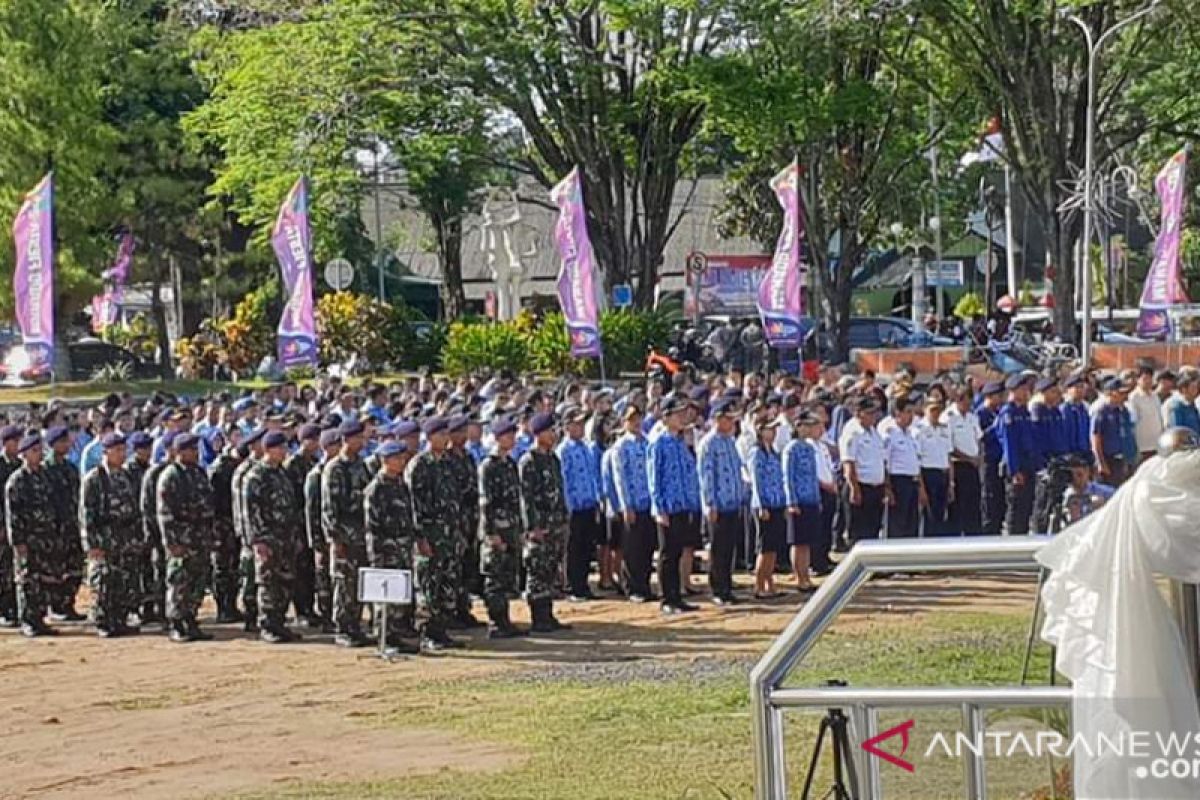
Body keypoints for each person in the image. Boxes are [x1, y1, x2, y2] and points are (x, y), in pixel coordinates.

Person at [407, 416, 465, 651]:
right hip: (430, 537)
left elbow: (455, 500)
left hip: (449, 535)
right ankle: (427, 633)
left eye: (445, 434)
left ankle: (441, 630)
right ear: (429, 437)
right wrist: (420, 537)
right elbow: (414, 505)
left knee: (447, 583)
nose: (445, 438)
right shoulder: (420, 465)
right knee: (428, 585)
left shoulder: (447, 463)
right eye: (440, 434)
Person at [243, 431, 302, 644]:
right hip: (268, 538)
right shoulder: (256, 476)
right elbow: (251, 511)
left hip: (285, 537)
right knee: (268, 583)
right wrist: (258, 540)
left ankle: (279, 622)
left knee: (285, 581)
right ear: (268, 449)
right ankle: (267, 625)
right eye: (280, 448)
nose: (284, 452)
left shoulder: (281, 473)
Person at [80, 433, 141, 637]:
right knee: (103, 581)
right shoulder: (95, 479)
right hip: (104, 537)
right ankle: (103, 620)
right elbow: (86, 514)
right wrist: (91, 544)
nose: (122, 454)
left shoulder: (125, 476)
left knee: (124, 579)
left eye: (124, 450)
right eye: (117, 450)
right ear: (106, 452)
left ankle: (119, 618)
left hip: (124, 537)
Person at [156, 433, 215, 643]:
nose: (195, 453)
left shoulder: (198, 472)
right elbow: (165, 514)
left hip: (200, 538)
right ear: (180, 452)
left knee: (197, 581)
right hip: (182, 539)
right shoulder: (171, 476)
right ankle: (177, 623)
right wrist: (172, 542)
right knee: (179, 582)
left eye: (196, 449)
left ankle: (191, 618)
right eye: (191, 449)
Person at [363, 440, 421, 652]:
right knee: (384, 598)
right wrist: (377, 556)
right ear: (385, 461)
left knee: (399, 596)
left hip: (403, 548)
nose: (402, 461)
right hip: (385, 551)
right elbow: (372, 527)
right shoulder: (375, 489)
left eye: (402, 458)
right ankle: (384, 636)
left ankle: (396, 634)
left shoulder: (400, 485)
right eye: (397, 458)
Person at [647, 397, 701, 615]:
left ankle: (676, 595)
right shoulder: (658, 443)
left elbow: (688, 473)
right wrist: (659, 507)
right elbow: (654, 477)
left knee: (678, 551)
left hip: (682, 504)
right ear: (666, 417)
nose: (682, 418)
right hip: (667, 506)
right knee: (667, 553)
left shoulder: (680, 442)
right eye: (677, 414)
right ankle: (666, 598)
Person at [321, 420, 373, 648]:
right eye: (358, 438)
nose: (362, 442)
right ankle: (343, 628)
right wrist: (335, 539)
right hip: (344, 536)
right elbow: (329, 509)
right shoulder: (334, 469)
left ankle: (355, 625)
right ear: (346, 439)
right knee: (343, 584)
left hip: (361, 535)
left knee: (358, 584)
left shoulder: (361, 465)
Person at [519, 412, 572, 631]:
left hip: (555, 524)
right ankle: (538, 617)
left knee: (550, 570)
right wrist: (532, 527)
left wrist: (563, 518)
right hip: (539, 527)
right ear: (539, 433)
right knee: (537, 572)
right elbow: (526, 498)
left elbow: (559, 491)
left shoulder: (552, 458)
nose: (554, 435)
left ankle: (547, 615)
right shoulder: (528, 461)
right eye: (551, 431)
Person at [477, 418, 528, 639]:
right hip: (496, 530)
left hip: (511, 528)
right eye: (508, 435)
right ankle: (496, 622)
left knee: (507, 575)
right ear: (497, 438)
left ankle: (505, 620)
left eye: (513, 435)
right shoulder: (489, 466)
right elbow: (485, 502)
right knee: (494, 578)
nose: (512, 439)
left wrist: (521, 527)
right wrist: (490, 533)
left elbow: (517, 499)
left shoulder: (510, 464)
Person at [6, 434, 57, 637]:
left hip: (45, 538)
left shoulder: (45, 476)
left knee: (44, 579)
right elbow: (14, 514)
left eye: (40, 450)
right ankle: (28, 620)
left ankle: (40, 618)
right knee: (27, 580)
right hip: (27, 539)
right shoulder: (17, 480)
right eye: (34, 451)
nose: (39, 454)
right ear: (24, 454)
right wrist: (18, 542)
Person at [697, 397, 745, 606]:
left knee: (728, 548)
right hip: (718, 504)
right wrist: (710, 503)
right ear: (717, 418)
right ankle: (718, 588)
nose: (732, 423)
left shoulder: (730, 442)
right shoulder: (709, 443)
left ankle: (727, 585)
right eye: (728, 418)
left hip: (732, 502)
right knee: (718, 549)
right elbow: (706, 475)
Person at [557, 408, 602, 602]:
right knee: (573, 548)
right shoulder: (563, 450)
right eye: (576, 424)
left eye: (582, 424)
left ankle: (583, 585)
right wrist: (567, 506)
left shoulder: (586, 447)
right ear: (567, 426)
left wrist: (596, 499)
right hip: (573, 507)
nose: (581, 427)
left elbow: (592, 476)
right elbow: (564, 481)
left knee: (585, 547)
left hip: (588, 504)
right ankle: (573, 587)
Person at [612, 406, 655, 602]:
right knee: (632, 548)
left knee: (646, 547)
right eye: (632, 419)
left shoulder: (647, 443)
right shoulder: (621, 447)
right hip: (632, 503)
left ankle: (645, 585)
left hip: (648, 503)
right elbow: (620, 478)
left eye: (639, 418)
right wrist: (626, 505)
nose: (636, 423)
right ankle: (632, 587)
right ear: (625, 422)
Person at [445, 414, 484, 627]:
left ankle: (463, 608)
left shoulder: (468, 457)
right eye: (458, 431)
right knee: (453, 569)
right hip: (453, 523)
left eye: (464, 431)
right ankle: (451, 612)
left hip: (470, 521)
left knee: (468, 567)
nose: (462, 435)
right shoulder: (446, 460)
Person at [283, 423, 321, 627]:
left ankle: (309, 607)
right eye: (312, 439)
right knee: (299, 570)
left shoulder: (314, 462)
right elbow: (289, 499)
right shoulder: (292, 464)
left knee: (309, 570)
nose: (315, 443)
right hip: (297, 525)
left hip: (310, 523)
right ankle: (301, 611)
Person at [44, 426, 83, 620]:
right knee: (55, 569)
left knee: (74, 568)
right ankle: (55, 606)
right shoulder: (45, 469)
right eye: (62, 441)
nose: (66, 445)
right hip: (54, 528)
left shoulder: (70, 468)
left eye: (67, 441)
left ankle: (68, 604)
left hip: (71, 525)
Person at [304, 429, 341, 631]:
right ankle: (327, 616)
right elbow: (311, 512)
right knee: (324, 579)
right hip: (322, 536)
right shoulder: (315, 476)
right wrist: (316, 543)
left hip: (336, 535)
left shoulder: (339, 471)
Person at [232, 427, 266, 631]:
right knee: (250, 576)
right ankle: (251, 616)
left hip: (256, 533)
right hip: (249, 534)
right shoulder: (245, 471)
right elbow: (243, 508)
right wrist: (249, 536)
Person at [748, 417, 786, 598]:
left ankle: (769, 583)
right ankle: (758, 585)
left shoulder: (773, 453)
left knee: (773, 548)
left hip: (776, 502)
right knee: (764, 547)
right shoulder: (757, 453)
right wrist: (762, 504)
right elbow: (756, 481)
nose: (774, 432)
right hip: (764, 505)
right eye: (770, 429)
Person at [783, 413, 821, 591]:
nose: (809, 429)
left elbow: (813, 476)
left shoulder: (809, 447)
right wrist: (791, 501)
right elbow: (787, 476)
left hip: (810, 498)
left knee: (807, 541)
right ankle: (799, 577)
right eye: (806, 425)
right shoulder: (791, 449)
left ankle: (805, 575)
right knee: (798, 542)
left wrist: (817, 497)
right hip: (798, 500)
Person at [207, 439, 244, 623]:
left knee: (232, 568)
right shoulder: (219, 470)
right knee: (222, 567)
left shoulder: (234, 468)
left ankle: (231, 605)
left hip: (231, 523)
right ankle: (223, 607)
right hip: (221, 525)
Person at [842, 399, 888, 544]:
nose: (873, 417)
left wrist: (886, 486)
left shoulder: (874, 432)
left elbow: (881, 461)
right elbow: (849, 463)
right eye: (869, 413)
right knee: (858, 532)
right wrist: (854, 489)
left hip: (876, 488)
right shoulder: (853, 432)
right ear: (858, 414)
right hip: (861, 486)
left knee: (873, 530)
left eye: (875, 413)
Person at [998, 374, 1039, 535]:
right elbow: (1010, 444)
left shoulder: (1024, 411)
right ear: (1013, 391)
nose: (1026, 392)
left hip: (1028, 465)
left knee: (1026, 507)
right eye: (1022, 389)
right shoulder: (1009, 413)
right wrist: (1014, 471)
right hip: (1017, 466)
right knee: (1015, 509)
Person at [882, 398, 923, 539]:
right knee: (898, 524)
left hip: (912, 481)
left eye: (912, 412)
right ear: (897, 413)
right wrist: (888, 488)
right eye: (907, 412)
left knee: (912, 524)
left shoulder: (911, 435)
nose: (911, 416)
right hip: (898, 482)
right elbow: (885, 462)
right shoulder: (890, 434)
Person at [944, 389, 982, 535]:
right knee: (958, 505)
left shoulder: (972, 417)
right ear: (959, 400)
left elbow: (978, 438)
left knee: (973, 504)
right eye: (966, 401)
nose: (968, 405)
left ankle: (973, 534)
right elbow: (949, 447)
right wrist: (968, 458)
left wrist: (978, 457)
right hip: (958, 465)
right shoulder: (949, 418)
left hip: (973, 466)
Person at [914, 398, 953, 536]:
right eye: (932, 410)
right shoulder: (919, 430)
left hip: (943, 474)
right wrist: (921, 487)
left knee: (941, 514)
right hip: (928, 474)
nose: (936, 413)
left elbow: (948, 457)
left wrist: (951, 483)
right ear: (925, 410)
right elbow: (916, 461)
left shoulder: (944, 429)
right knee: (928, 516)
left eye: (938, 410)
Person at [1091, 377, 1136, 487]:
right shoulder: (1101, 412)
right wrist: (1101, 463)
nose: (1124, 396)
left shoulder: (1124, 411)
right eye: (1120, 393)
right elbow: (1096, 439)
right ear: (1110, 393)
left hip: (1123, 458)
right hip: (1108, 459)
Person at [0, 425, 23, 626]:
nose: (18, 445)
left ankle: (14, 607)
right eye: (16, 441)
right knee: (3, 568)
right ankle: (4, 608)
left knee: (14, 568)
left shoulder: (20, 465)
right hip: (1, 525)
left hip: (17, 525)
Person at [976, 381, 1007, 534]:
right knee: (990, 496)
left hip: (999, 459)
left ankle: (998, 525)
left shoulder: (999, 412)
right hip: (988, 459)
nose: (1001, 399)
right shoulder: (980, 414)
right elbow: (980, 437)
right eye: (997, 396)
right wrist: (995, 427)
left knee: (1000, 497)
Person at [1127, 365, 1163, 463]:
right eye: (1145, 378)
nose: (1148, 381)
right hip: (1142, 447)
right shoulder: (1134, 398)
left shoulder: (1155, 397)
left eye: (1150, 378)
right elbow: (1132, 422)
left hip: (1157, 445)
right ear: (1138, 380)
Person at [1161, 371, 1200, 436]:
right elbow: (1177, 432)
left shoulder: (1192, 407)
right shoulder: (1176, 407)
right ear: (1184, 389)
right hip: (1184, 444)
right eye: (1193, 387)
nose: (1196, 390)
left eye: (1196, 387)